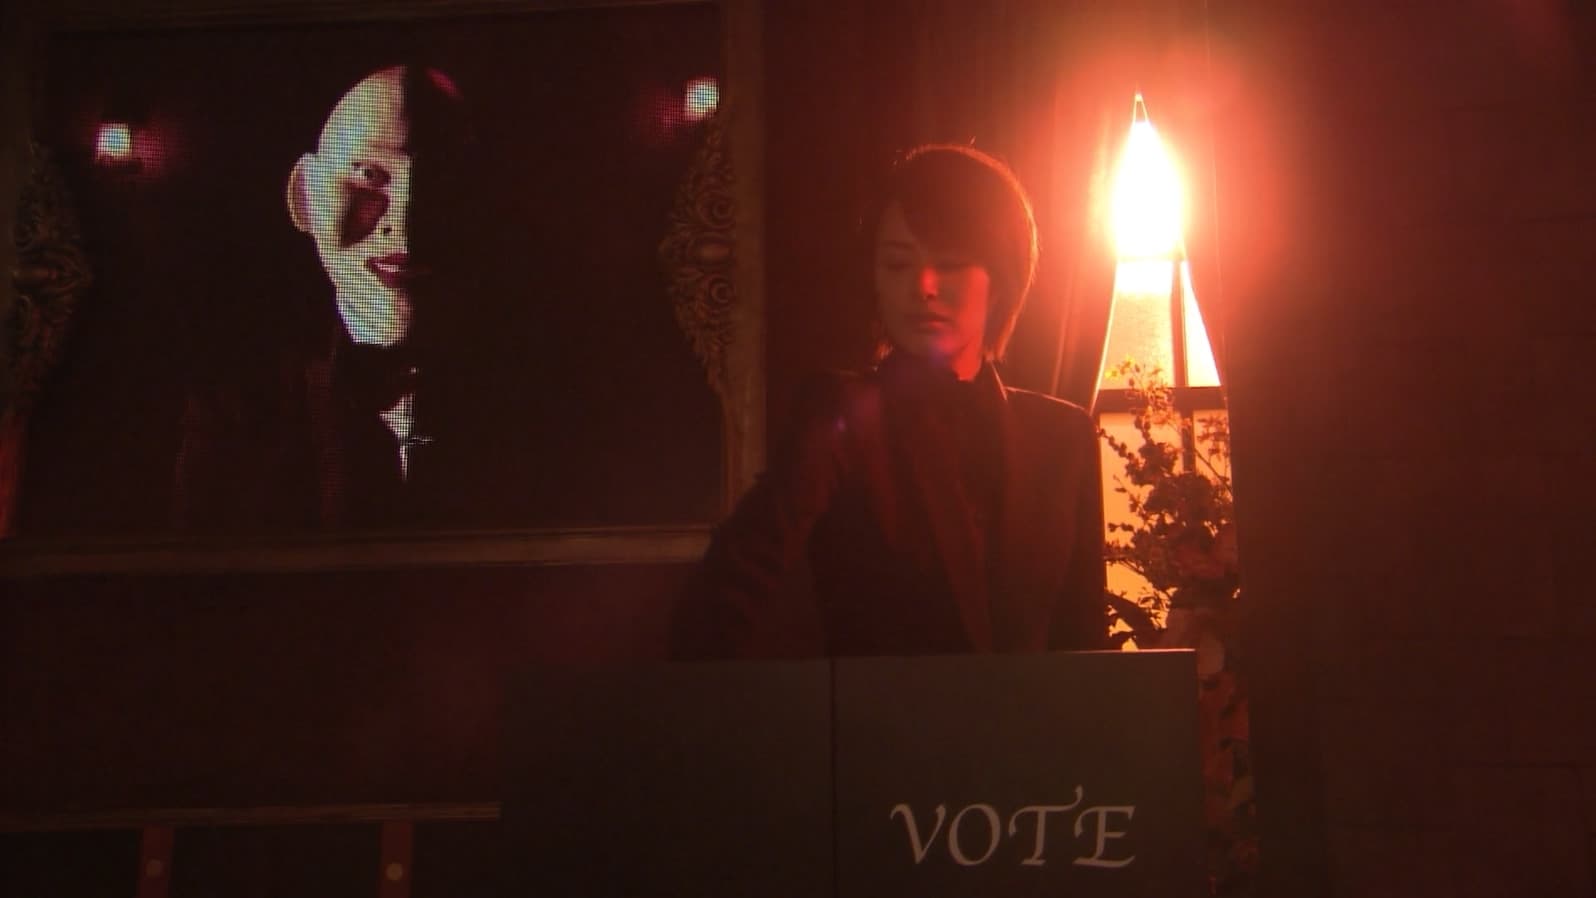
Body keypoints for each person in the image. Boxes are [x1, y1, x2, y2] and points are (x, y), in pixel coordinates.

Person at [683, 144, 1108, 658]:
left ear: (1000, 280)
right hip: (881, 711)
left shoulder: (1062, 434)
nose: (923, 286)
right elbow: (729, 588)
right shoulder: (842, 411)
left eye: (949, 263)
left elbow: (1086, 640)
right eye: (898, 263)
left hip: (1039, 712)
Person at [173, 64, 475, 529]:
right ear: (303, 196)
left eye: (439, 180)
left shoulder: (550, 398)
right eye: (369, 174)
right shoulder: (235, 406)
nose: (407, 223)